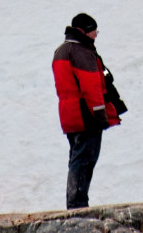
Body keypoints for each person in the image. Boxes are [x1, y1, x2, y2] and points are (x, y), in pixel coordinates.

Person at [52, 13, 126, 209]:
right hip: (86, 116)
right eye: (94, 31)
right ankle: (78, 204)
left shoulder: (61, 51)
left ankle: (75, 202)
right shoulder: (81, 52)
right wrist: (101, 116)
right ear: (85, 30)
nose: (95, 35)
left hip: (70, 116)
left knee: (77, 159)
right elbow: (91, 86)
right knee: (84, 160)